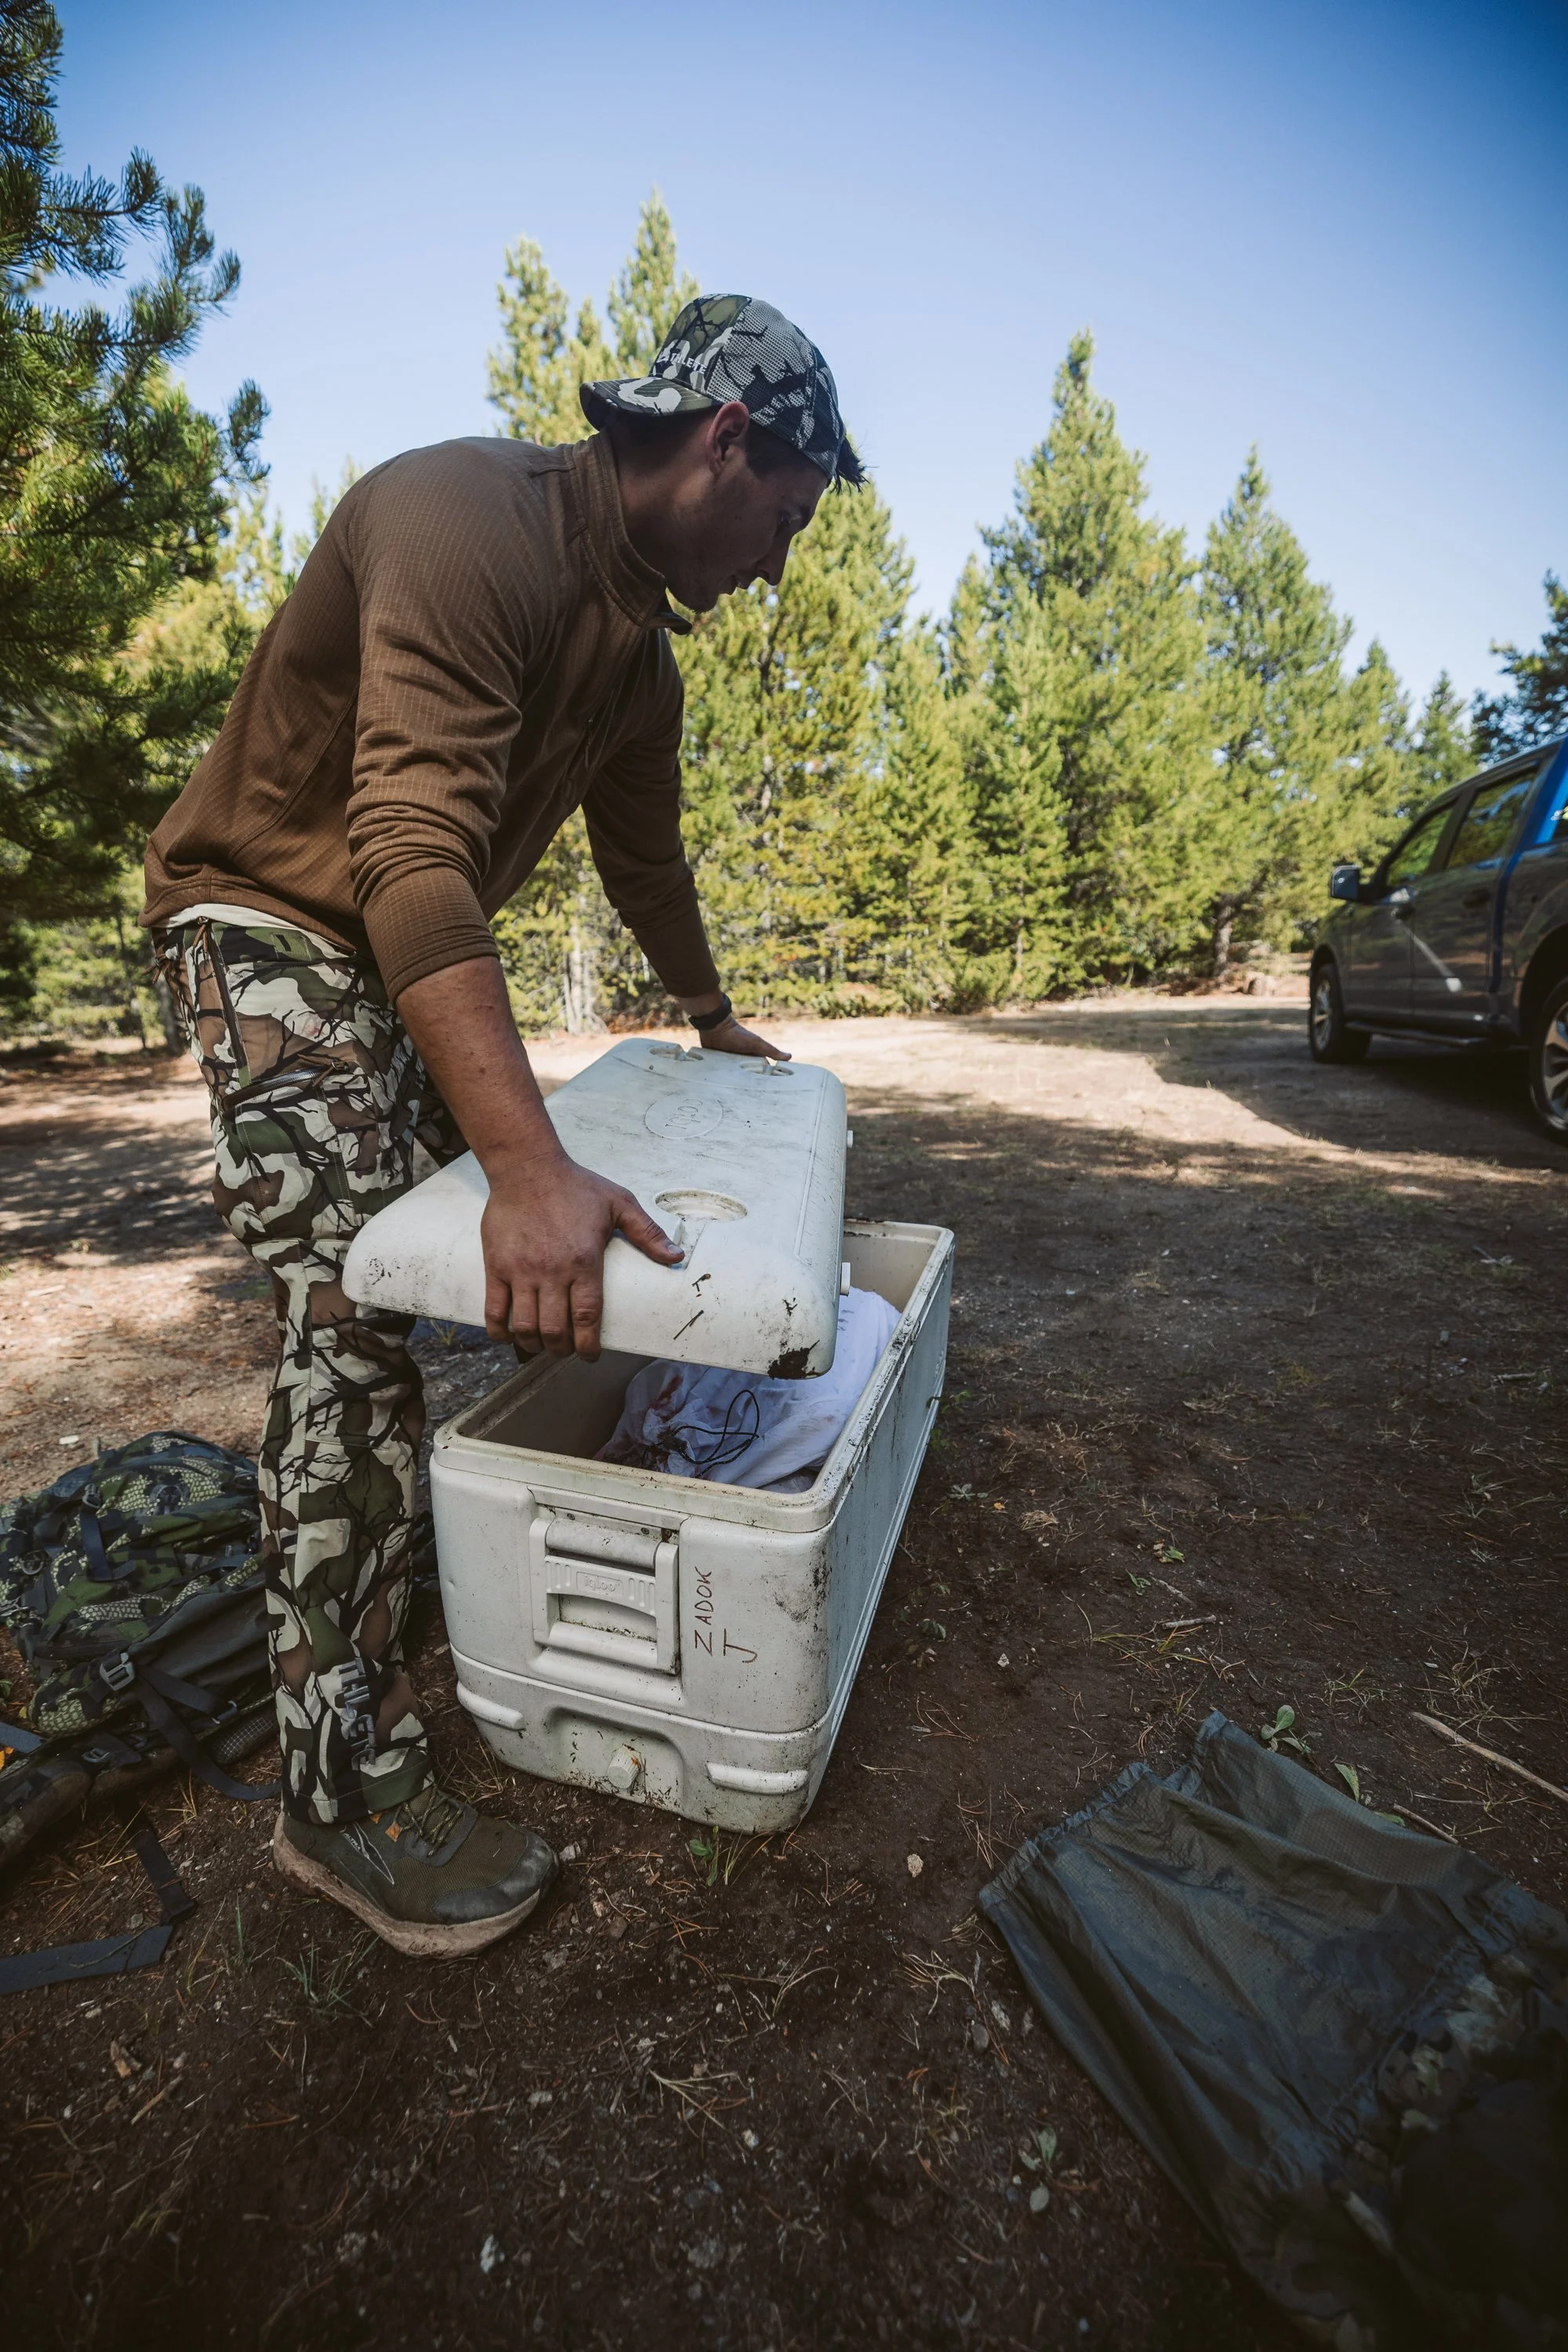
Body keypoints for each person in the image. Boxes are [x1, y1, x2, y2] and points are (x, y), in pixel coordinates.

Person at [142, 296, 863, 1958]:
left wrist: (704, 1016)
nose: (776, 564)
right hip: (269, 920)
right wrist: (530, 1167)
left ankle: (395, 1606)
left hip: (389, 951)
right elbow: (404, 846)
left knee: (406, 1289)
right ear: (724, 445)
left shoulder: (638, 656)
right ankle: (335, 1792)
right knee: (350, 1316)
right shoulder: (465, 520)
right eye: (785, 521)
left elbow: (646, 865)